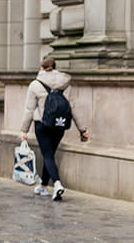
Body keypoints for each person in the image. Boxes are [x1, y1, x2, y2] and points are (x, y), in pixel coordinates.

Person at [20, 55, 89, 201]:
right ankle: (43, 186)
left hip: (42, 125)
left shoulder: (36, 84)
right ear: (55, 67)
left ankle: (57, 183)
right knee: (49, 154)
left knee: (48, 155)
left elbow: (29, 109)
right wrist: (82, 129)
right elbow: (73, 108)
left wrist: (24, 130)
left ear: (41, 68)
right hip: (59, 124)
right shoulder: (65, 84)